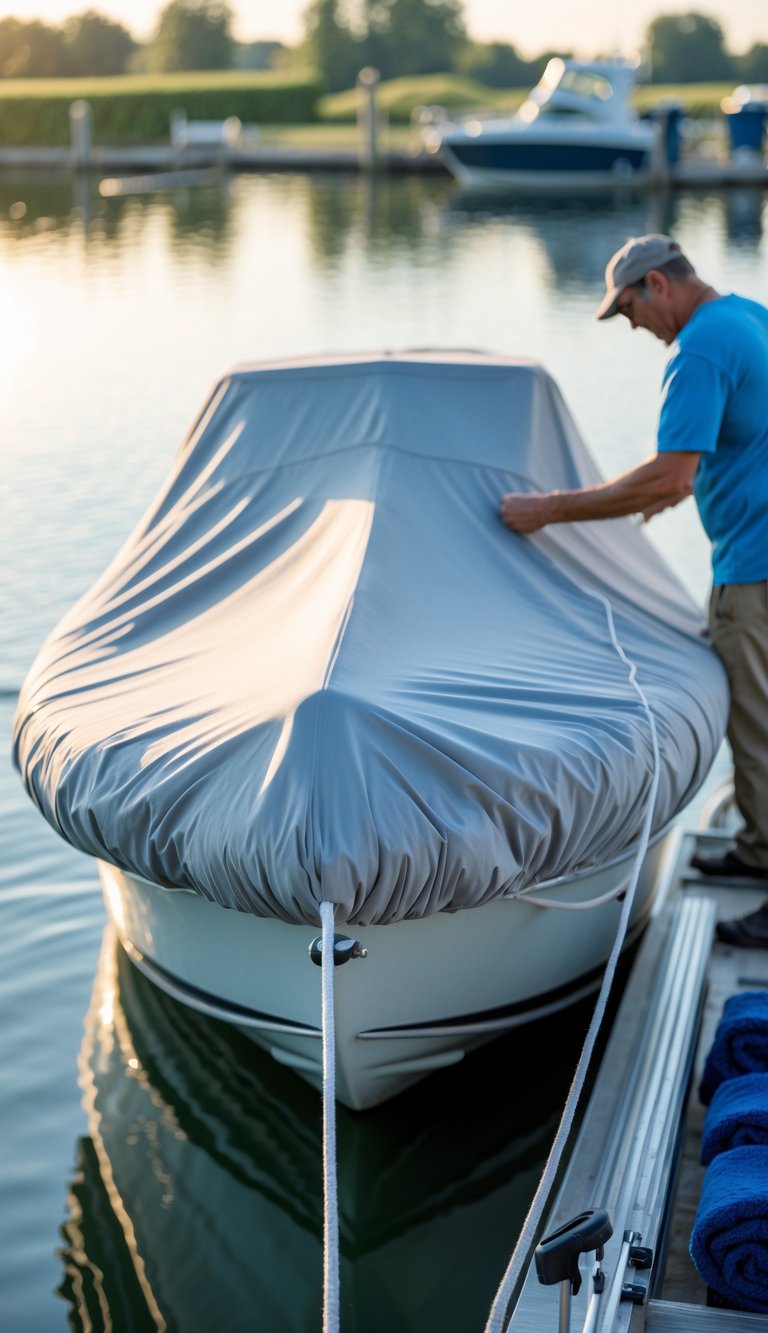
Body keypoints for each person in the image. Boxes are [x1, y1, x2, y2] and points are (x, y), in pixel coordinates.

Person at [500, 233, 768, 947]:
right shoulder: (747, 317)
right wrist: (682, 488)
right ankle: (751, 851)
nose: (632, 328)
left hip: (755, 567)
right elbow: (742, 438)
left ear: (657, 285)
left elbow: (670, 472)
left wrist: (550, 508)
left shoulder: (698, 350)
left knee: (759, 726)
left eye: (626, 311)